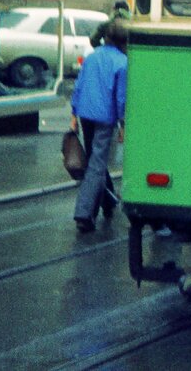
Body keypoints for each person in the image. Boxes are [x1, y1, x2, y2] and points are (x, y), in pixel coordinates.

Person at [71, 18, 128, 233]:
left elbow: (79, 85)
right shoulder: (123, 63)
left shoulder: (92, 57)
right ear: (124, 42)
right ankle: (84, 213)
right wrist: (123, 124)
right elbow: (121, 98)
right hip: (105, 117)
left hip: (86, 113)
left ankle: (108, 201)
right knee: (96, 164)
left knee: (96, 160)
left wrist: (73, 113)